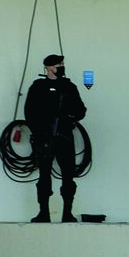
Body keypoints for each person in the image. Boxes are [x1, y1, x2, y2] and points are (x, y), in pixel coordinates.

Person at [24, 54, 87, 223]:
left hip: (64, 136)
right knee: (44, 175)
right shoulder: (38, 87)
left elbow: (81, 111)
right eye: (58, 64)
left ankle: (67, 213)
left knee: (68, 175)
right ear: (48, 68)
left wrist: (68, 115)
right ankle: (43, 213)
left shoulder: (69, 87)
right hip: (44, 138)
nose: (61, 66)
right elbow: (29, 113)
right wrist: (40, 131)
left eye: (62, 64)